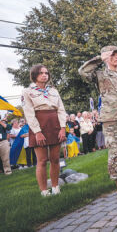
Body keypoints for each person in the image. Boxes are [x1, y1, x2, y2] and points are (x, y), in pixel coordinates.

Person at [79, 45, 117, 199]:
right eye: (112, 55)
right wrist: (99, 58)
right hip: (112, 120)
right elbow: (83, 72)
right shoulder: (99, 75)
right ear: (106, 57)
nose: (116, 58)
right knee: (116, 152)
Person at [22, 64, 67, 196]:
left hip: (55, 124)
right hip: (39, 124)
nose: (44, 75)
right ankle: (44, 191)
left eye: (46, 73)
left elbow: (61, 110)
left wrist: (62, 128)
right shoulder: (27, 91)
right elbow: (29, 113)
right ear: (35, 75)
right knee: (42, 160)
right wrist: (37, 132)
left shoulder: (53, 91)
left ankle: (55, 187)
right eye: (41, 73)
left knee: (55, 159)